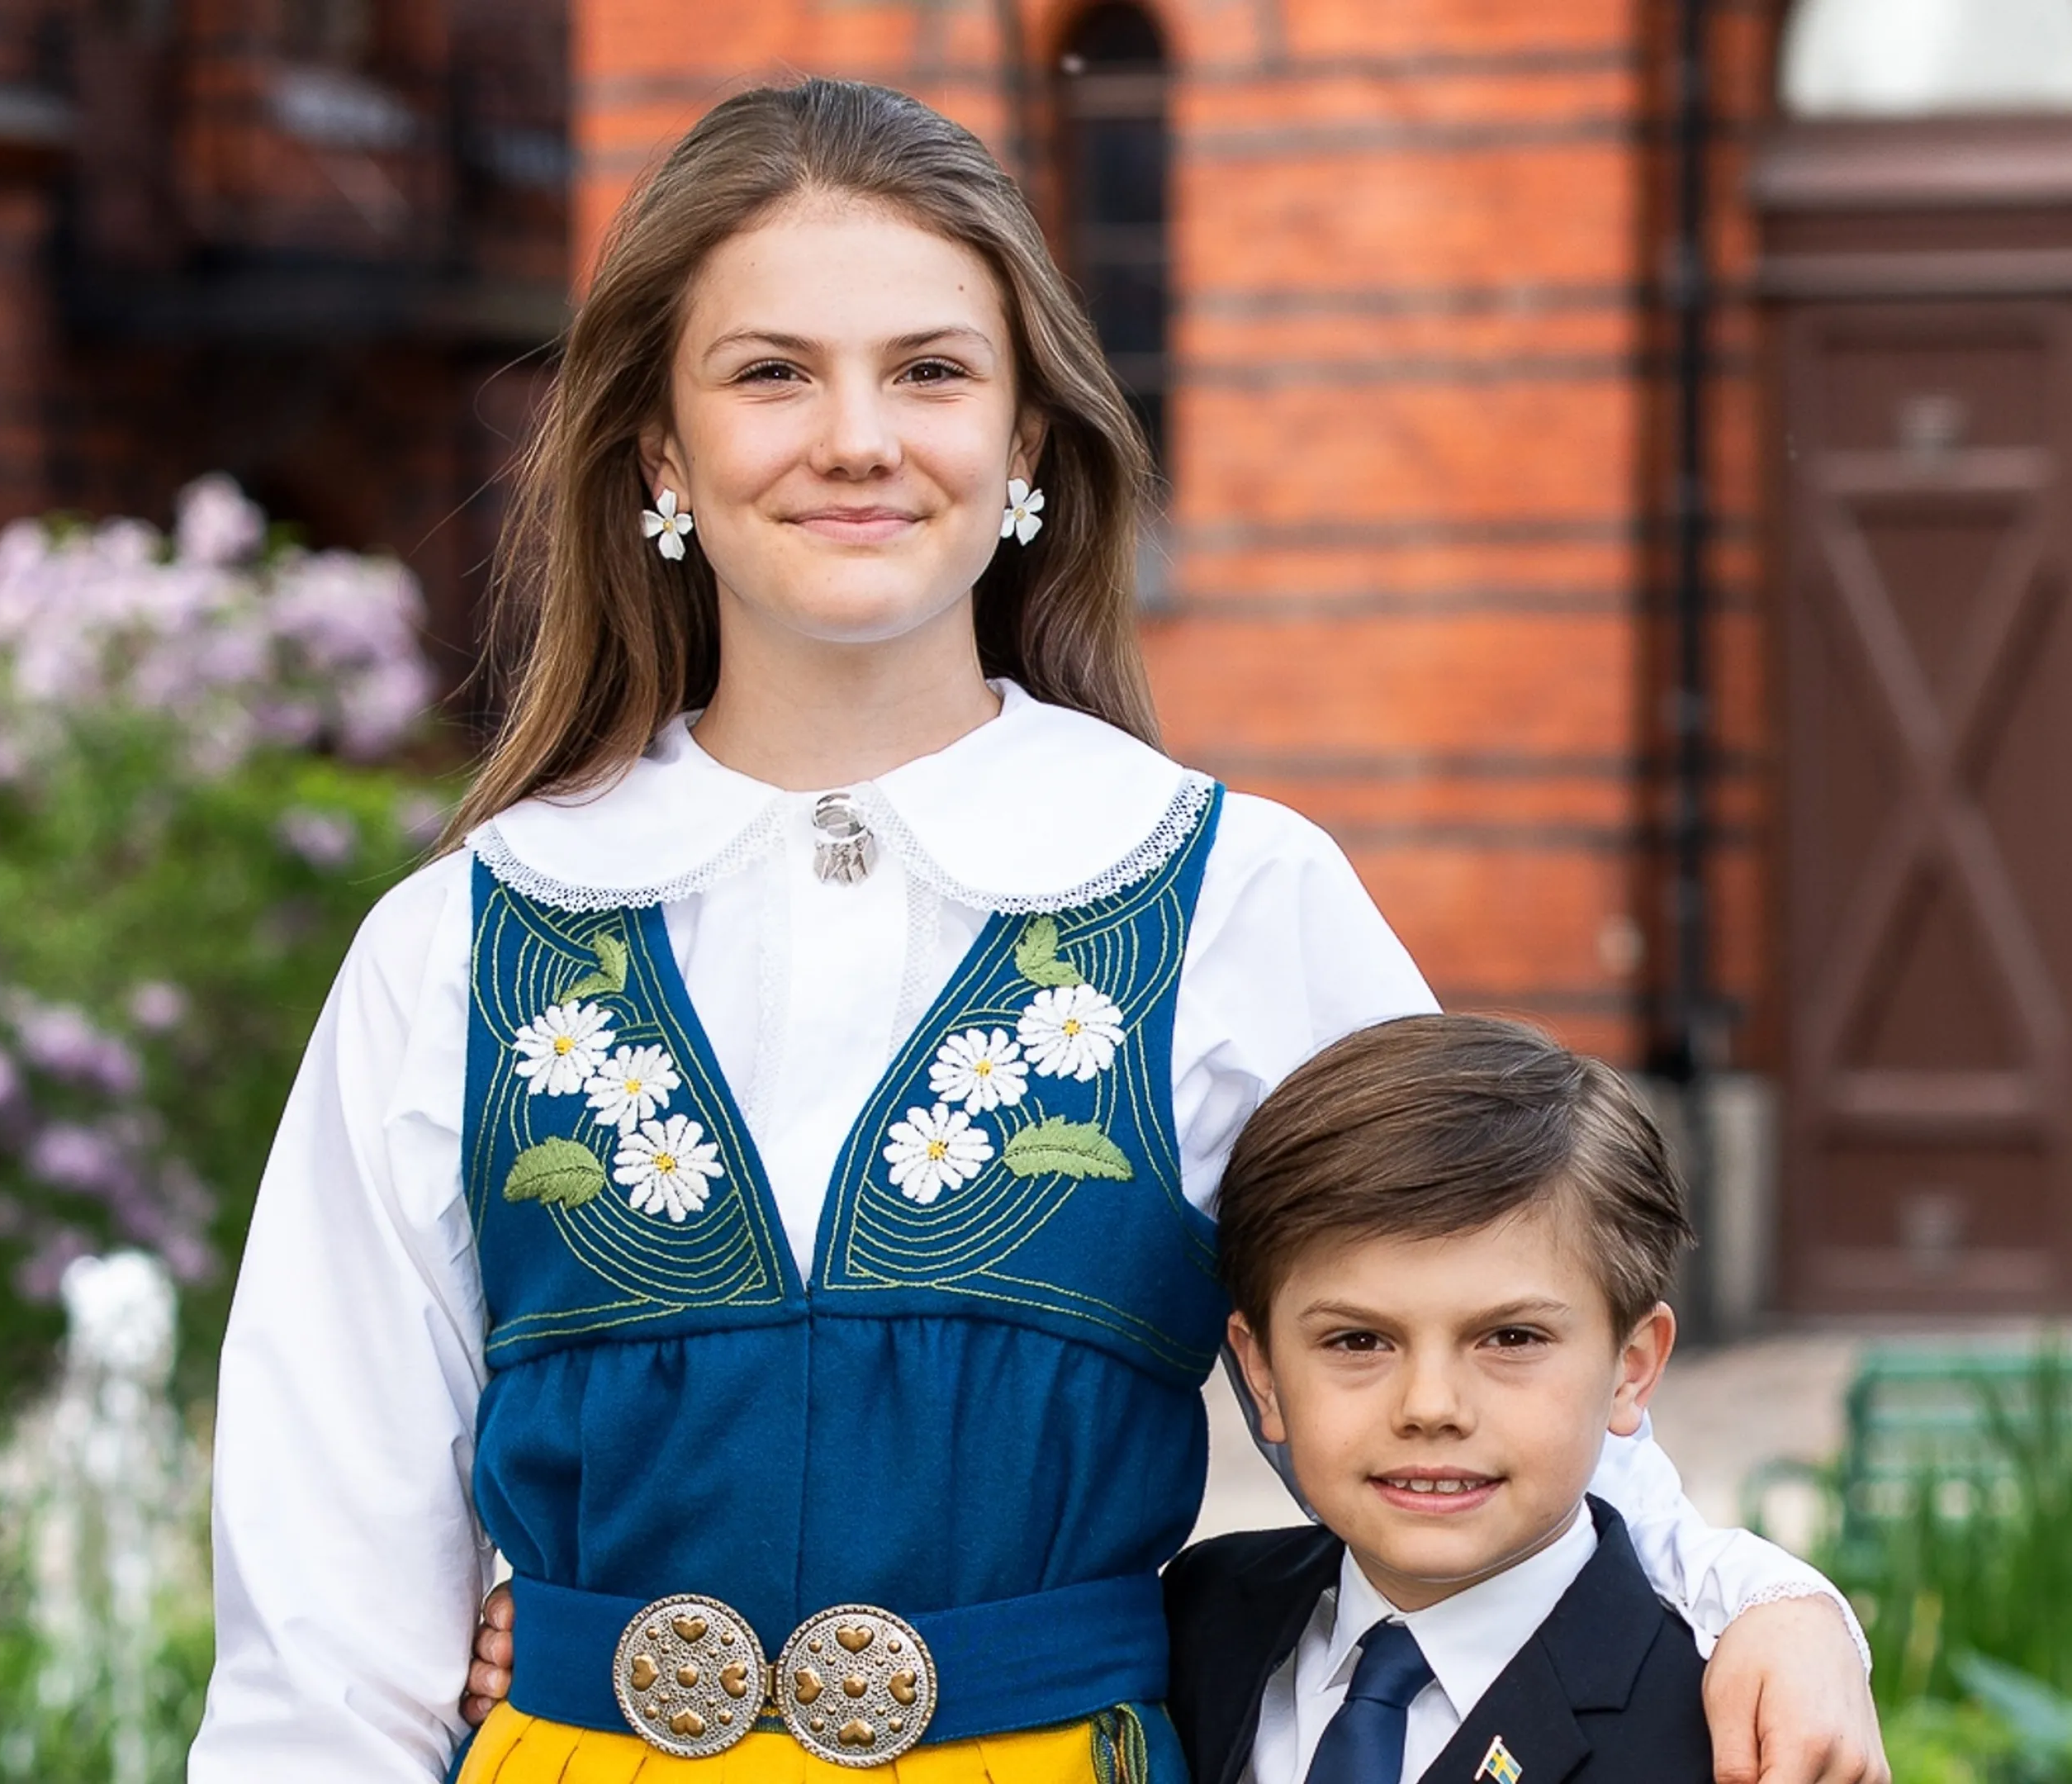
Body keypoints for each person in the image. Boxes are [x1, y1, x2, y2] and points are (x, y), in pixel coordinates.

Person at [192, 76, 1885, 1784]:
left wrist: (1759, 1600)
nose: (857, 437)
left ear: (1022, 444)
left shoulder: (1225, 892)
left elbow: (1496, 1335)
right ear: (660, 452)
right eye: (772, 372)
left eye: (930, 372)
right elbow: (322, 1609)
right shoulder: (468, 943)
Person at [1164, 1014, 1717, 1784]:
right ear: (1262, 1373)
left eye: (1511, 1339)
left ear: (1630, 1368)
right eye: (1358, 1341)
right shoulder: (1195, 1622)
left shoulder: (1723, 1724)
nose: (1430, 1406)